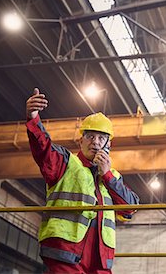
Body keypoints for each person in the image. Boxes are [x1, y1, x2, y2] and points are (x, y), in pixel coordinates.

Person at [26, 88, 139, 274]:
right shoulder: (66, 163)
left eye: (101, 138)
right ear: (81, 141)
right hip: (65, 253)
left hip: (100, 260)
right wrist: (33, 117)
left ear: (108, 145)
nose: (95, 142)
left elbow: (131, 207)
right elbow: (43, 148)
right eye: (90, 136)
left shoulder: (113, 177)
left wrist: (107, 175)